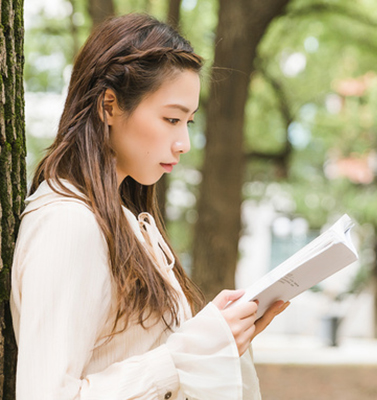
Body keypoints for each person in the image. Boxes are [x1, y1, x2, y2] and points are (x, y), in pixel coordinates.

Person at [10, 13, 288, 400]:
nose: (183, 143)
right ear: (109, 106)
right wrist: (182, 358)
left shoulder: (125, 219)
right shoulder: (69, 223)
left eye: (188, 122)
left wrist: (213, 338)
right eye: (171, 119)